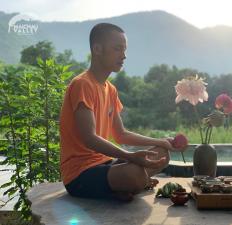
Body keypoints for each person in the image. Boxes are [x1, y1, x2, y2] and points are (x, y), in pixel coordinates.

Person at [59, 23, 185, 201]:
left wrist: (161, 141)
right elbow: (89, 138)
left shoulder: (110, 89)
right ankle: (132, 183)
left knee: (162, 154)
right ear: (97, 49)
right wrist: (129, 156)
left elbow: (121, 134)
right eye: (118, 49)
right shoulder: (82, 84)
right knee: (133, 174)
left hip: (105, 164)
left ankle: (128, 186)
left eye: (124, 49)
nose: (124, 56)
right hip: (80, 174)